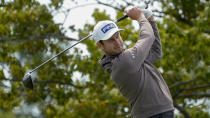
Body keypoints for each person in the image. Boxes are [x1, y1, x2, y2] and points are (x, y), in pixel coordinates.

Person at [92, 7, 174, 118]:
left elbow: (155, 52)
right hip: (153, 115)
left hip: (160, 112)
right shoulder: (124, 62)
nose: (117, 42)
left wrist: (150, 19)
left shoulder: (130, 58)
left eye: (118, 36)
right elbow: (148, 36)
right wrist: (140, 17)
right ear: (100, 45)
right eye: (111, 40)